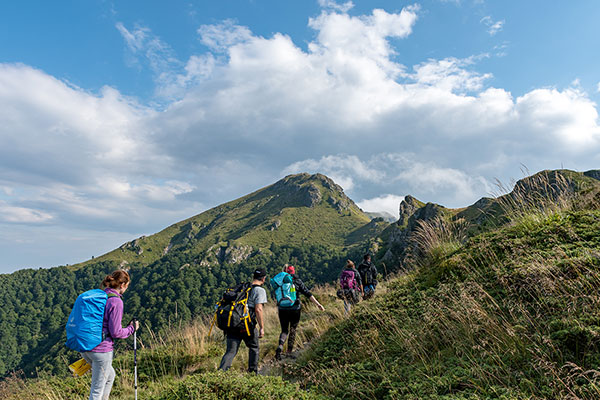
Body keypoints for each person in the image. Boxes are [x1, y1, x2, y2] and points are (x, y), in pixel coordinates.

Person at [81, 270, 139, 400]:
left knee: (110, 375)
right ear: (122, 284)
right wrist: (131, 329)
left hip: (85, 347)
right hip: (101, 350)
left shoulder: (100, 295)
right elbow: (116, 332)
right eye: (127, 285)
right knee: (96, 391)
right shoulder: (116, 301)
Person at [218, 268, 268, 373]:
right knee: (254, 347)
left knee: (230, 352)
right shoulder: (260, 290)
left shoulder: (243, 288)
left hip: (233, 324)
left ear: (253, 277)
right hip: (247, 325)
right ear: (263, 279)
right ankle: (252, 373)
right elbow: (258, 309)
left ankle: (220, 374)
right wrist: (262, 327)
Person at [274, 264, 325, 361]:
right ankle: (289, 352)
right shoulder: (297, 281)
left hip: (282, 309)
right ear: (293, 272)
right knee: (293, 328)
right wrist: (318, 304)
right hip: (295, 308)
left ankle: (280, 346)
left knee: (284, 330)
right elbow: (307, 293)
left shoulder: (279, 282)